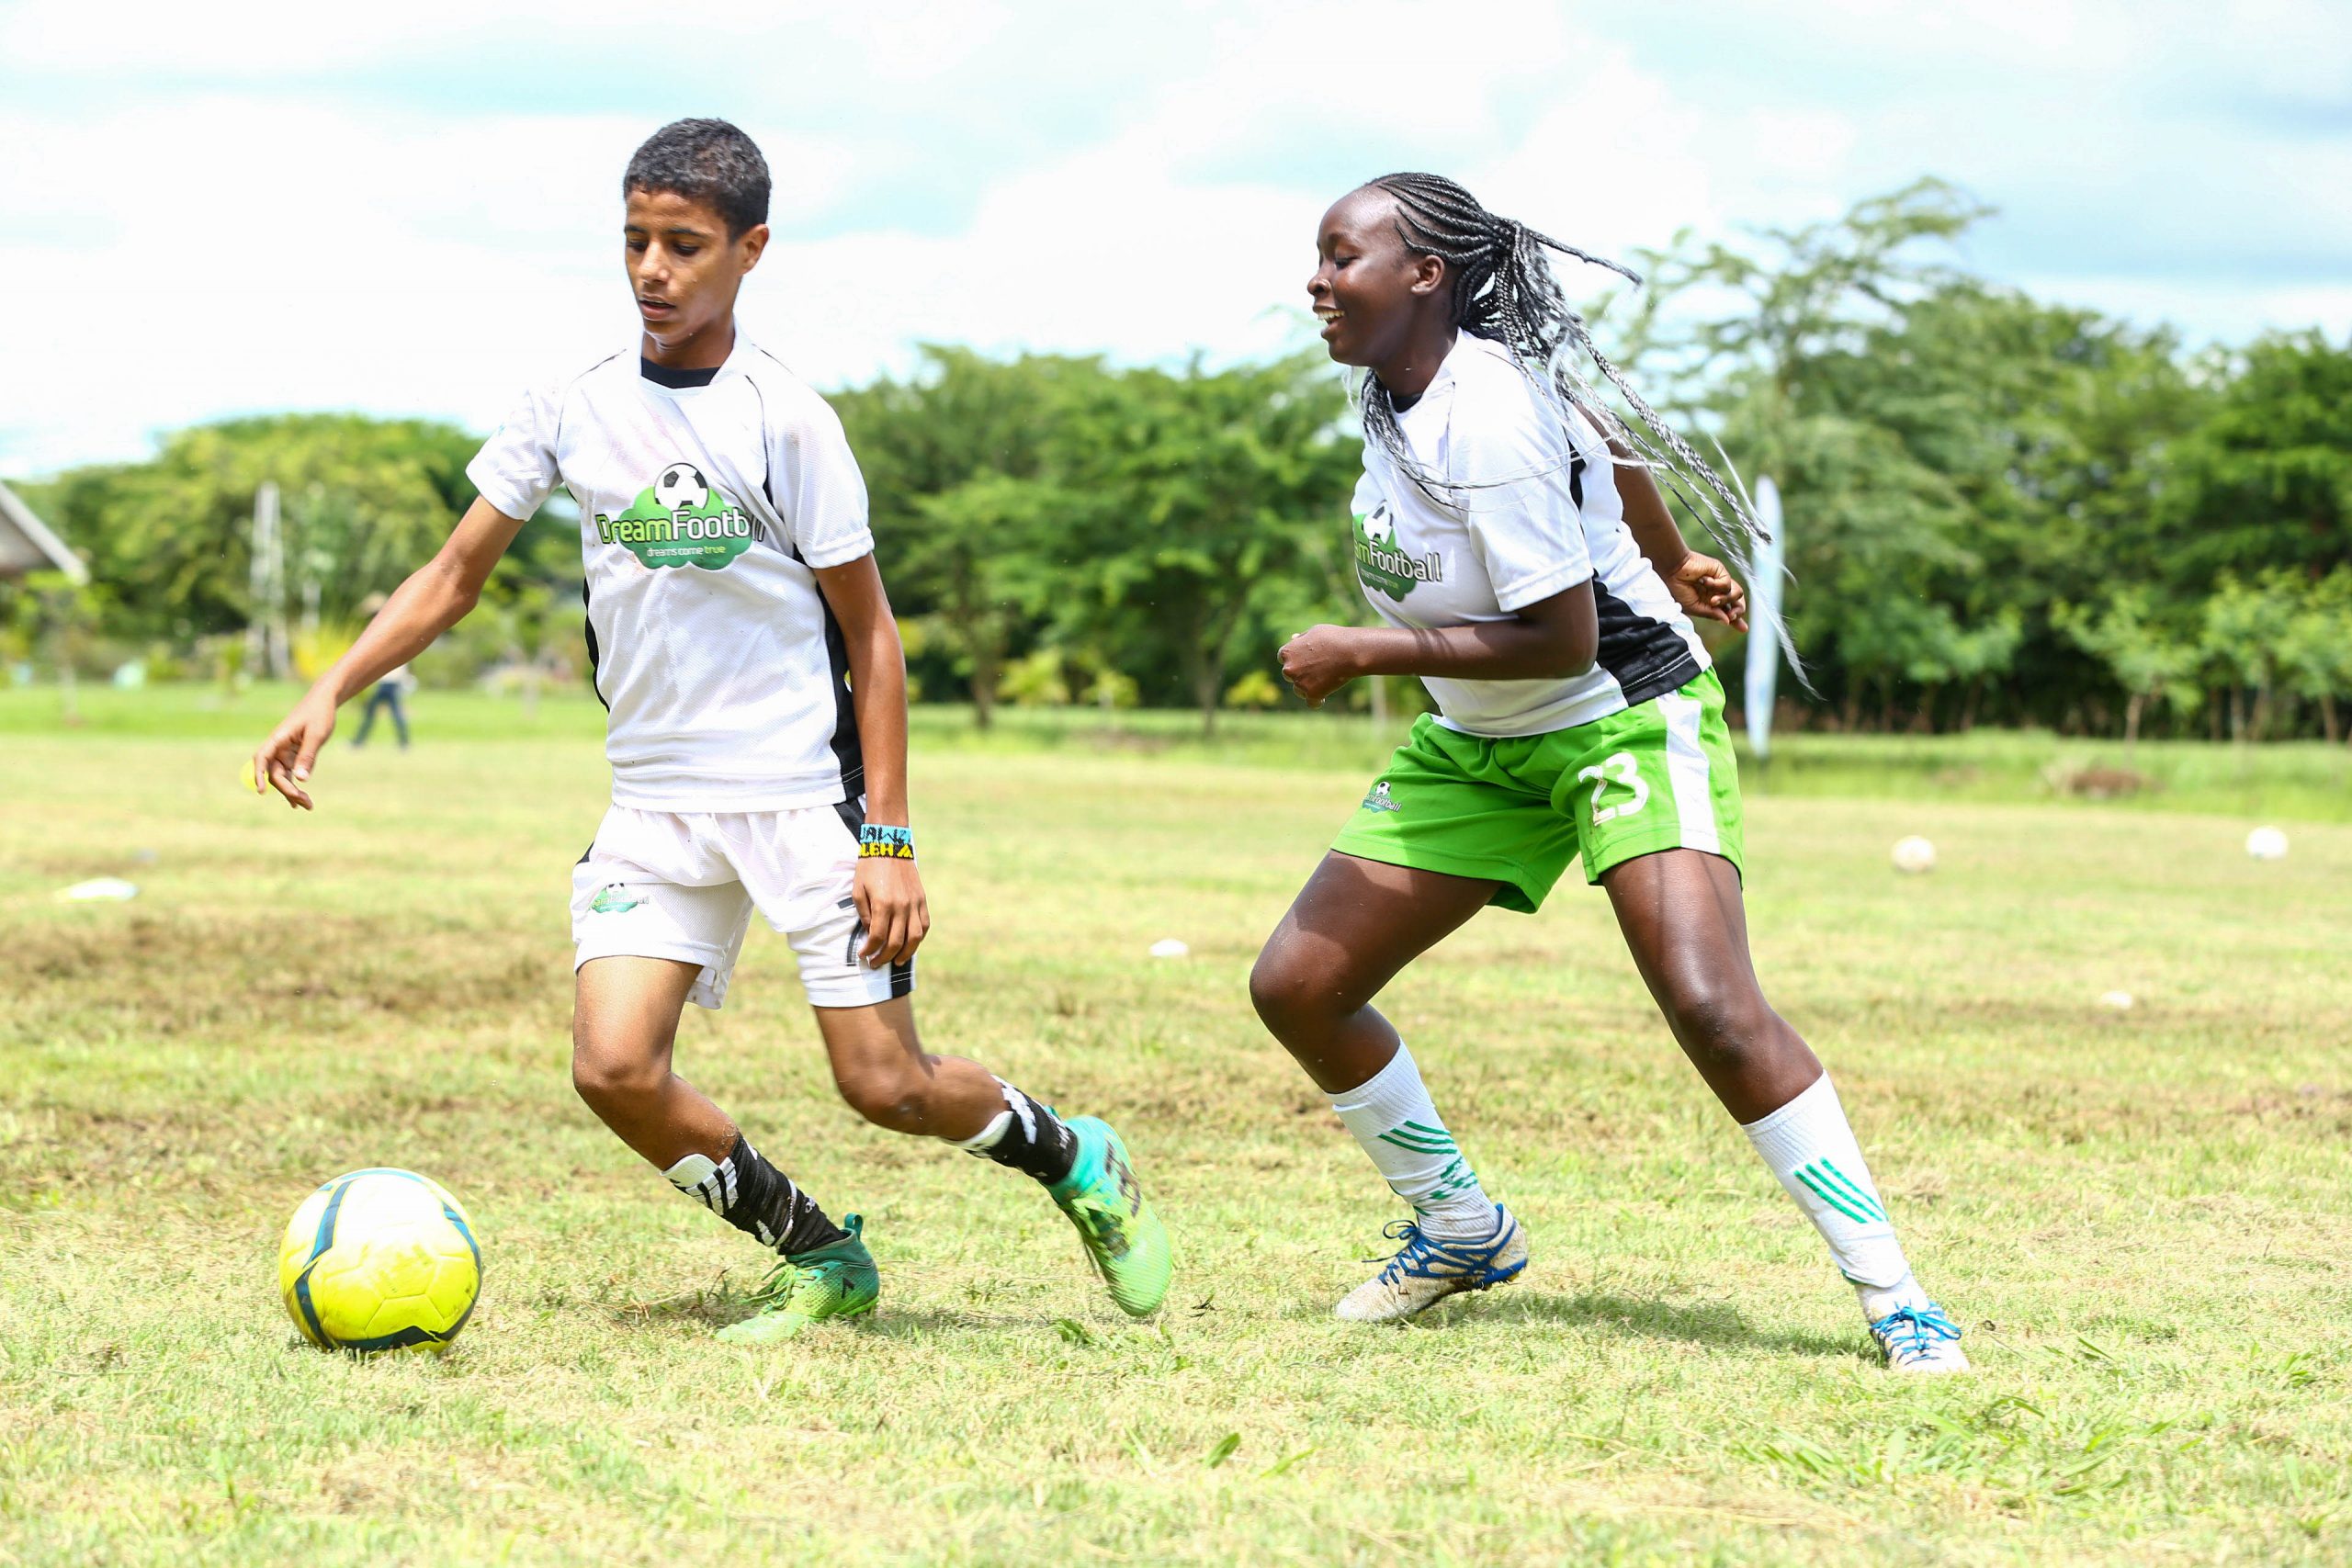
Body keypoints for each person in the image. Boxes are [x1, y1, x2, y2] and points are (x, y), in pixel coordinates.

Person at [250, 118, 1171, 1341]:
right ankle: (819, 1253)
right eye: (635, 240)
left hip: (803, 797)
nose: (652, 269)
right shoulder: (568, 406)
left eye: (683, 245)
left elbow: (875, 640)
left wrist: (887, 834)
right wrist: (333, 686)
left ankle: (1071, 1155)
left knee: (886, 1085)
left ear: (751, 250)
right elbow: (454, 572)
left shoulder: (788, 421)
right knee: (613, 1069)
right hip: (654, 799)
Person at [1250, 172, 1965, 1372]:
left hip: (1615, 715)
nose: (1316, 282)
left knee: (1711, 1007)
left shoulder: (1489, 408)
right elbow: (1607, 439)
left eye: (1341, 257)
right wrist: (1675, 555)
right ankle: (1461, 1228)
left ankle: (1897, 1297)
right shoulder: (1400, 390)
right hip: (1476, 742)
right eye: (1317, 259)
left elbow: (1562, 637)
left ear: (1424, 275)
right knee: (1299, 984)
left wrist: (1361, 646)